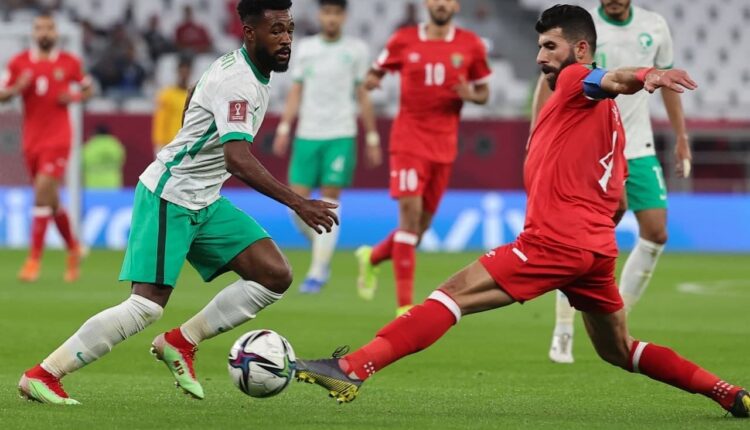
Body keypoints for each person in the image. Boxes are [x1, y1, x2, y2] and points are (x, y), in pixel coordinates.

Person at [294, 4, 749, 419]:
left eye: (550, 46)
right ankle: (727, 392)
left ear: (581, 49)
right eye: (539, 47)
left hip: (554, 242)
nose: (540, 57)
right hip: (595, 252)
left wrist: (648, 73)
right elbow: (621, 202)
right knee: (619, 349)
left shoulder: (576, 79)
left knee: (451, 295)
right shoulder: (610, 124)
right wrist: (584, 242)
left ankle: (352, 368)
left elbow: (611, 79)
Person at [17, 0, 338, 405]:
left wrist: (190, 132)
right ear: (250, 32)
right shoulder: (239, 81)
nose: (286, 39)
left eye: (289, 29)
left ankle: (181, 341)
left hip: (204, 199)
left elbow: (195, 91)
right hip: (170, 195)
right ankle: (43, 374)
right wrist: (297, 203)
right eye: (276, 30)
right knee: (145, 307)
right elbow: (237, 159)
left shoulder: (239, 67)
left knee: (273, 274)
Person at [535, 0, 692, 364]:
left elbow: (667, 84)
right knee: (580, 242)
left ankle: (618, 318)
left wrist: (681, 136)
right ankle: (563, 326)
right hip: (593, 146)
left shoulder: (655, 25)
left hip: (638, 145)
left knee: (656, 232)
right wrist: (537, 135)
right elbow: (551, 81)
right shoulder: (583, 28)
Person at [355, 0, 491, 316]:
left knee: (418, 231)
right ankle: (404, 307)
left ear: (456, 5)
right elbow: (374, 72)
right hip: (408, 141)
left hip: (444, 147)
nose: (441, 4)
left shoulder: (470, 44)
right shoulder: (403, 39)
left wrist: (470, 95)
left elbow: (484, 93)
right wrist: (372, 80)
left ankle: (371, 257)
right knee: (408, 218)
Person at [272, 0, 381, 294]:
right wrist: (284, 127)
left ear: (343, 16)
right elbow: (296, 90)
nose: (331, 18)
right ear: (320, 15)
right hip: (307, 133)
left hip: (340, 133)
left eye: (336, 13)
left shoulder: (356, 50)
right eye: (327, 12)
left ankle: (318, 270)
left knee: (330, 199)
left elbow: (362, 94)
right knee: (296, 202)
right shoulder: (306, 48)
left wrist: (372, 137)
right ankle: (323, 246)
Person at [0, 13, 93, 283]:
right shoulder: (18, 63)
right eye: (39, 28)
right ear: (33, 33)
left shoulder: (69, 62)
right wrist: (17, 88)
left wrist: (73, 96)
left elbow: (88, 89)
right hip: (31, 140)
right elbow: (2, 95)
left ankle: (33, 260)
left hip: (59, 138)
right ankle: (74, 249)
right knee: (50, 200)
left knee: (41, 192)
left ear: (56, 33)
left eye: (49, 28)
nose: (44, 33)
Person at [153, 57, 192, 152]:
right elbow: (160, 119)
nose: (184, 75)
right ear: (177, 72)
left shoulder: (192, 95)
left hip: (186, 142)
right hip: (169, 142)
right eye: (182, 72)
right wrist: (159, 142)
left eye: (186, 72)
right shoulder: (167, 94)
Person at [82, 125, 125, 189]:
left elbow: (81, 165)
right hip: (113, 186)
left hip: (92, 186)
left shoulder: (89, 147)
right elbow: (121, 161)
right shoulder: (115, 146)